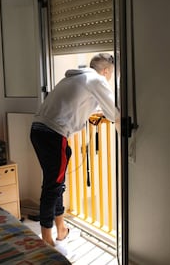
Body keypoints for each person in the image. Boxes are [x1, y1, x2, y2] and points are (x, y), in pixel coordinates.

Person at [30, 53, 115, 255]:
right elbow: (113, 113)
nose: (109, 78)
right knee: (53, 185)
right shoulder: (96, 79)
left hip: (38, 130)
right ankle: (47, 240)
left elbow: (82, 105)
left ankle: (61, 230)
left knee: (56, 182)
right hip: (53, 134)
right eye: (110, 74)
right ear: (105, 71)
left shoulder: (74, 77)